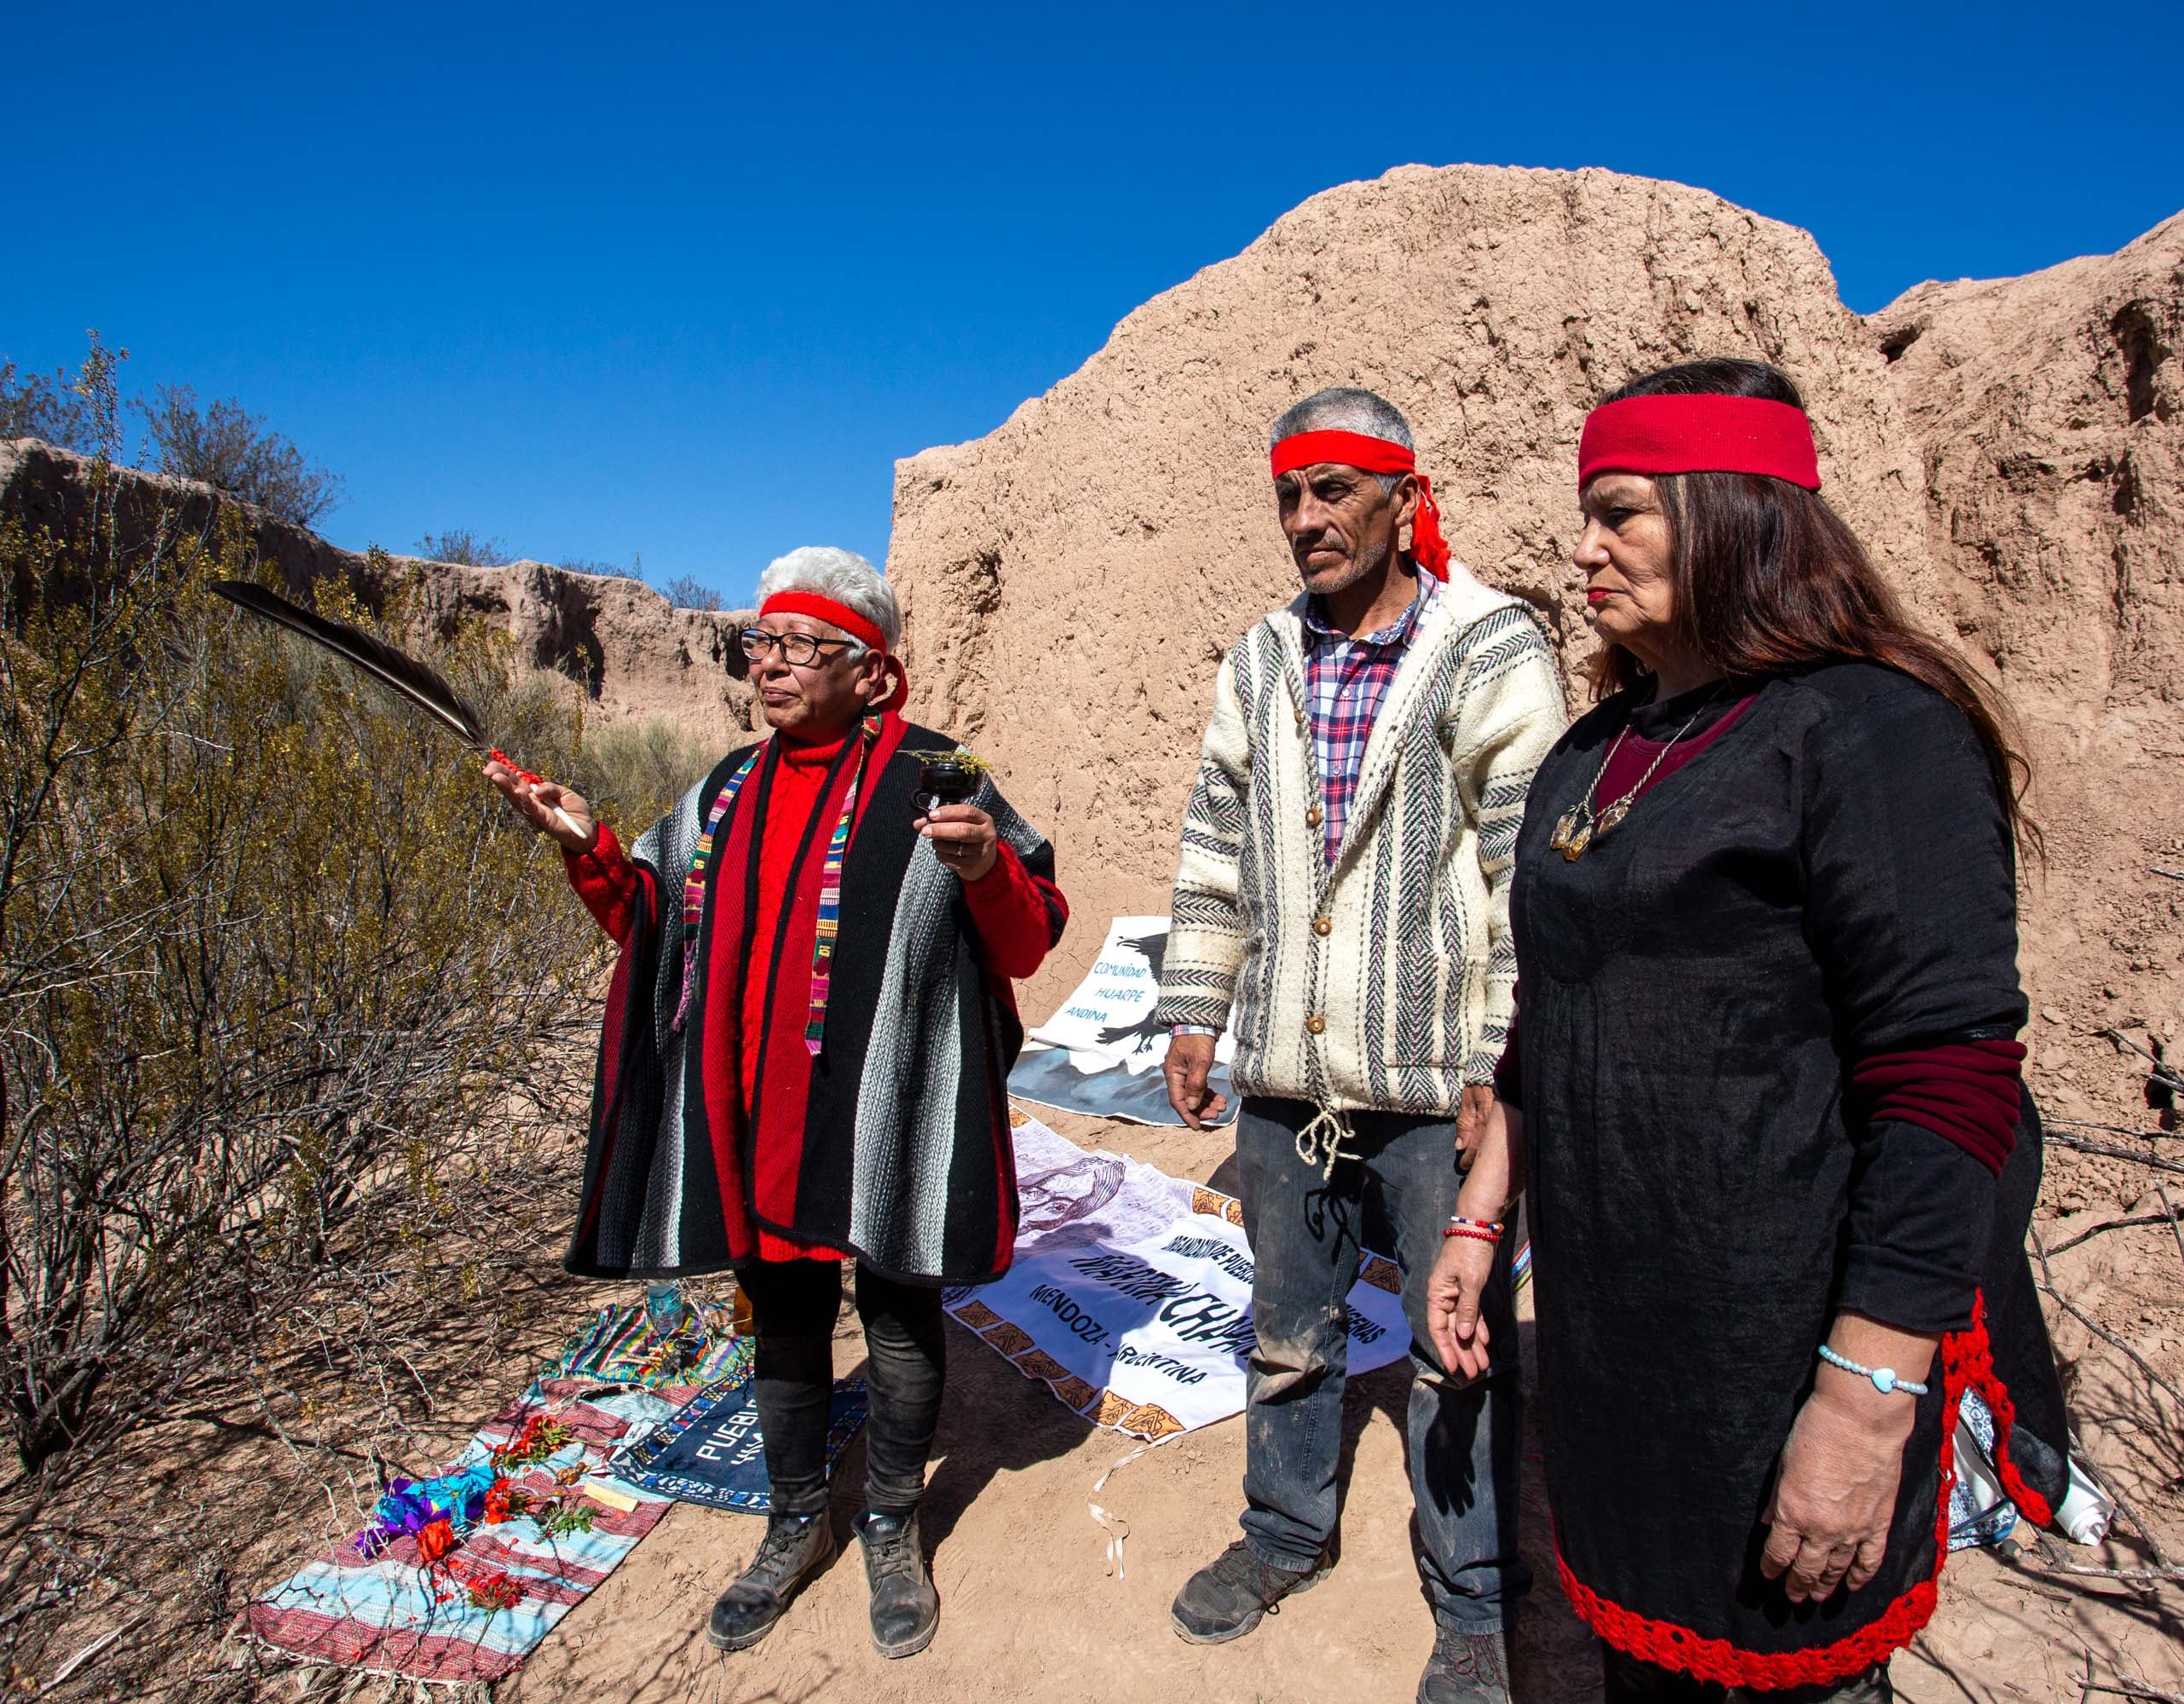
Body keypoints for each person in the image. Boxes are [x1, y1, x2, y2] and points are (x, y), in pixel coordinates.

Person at [1432, 360, 2080, 1704]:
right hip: (1625, 1336)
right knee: (1644, 1659)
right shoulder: (1594, 753)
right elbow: (1550, 1015)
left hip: (1792, 1345)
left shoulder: (1870, 729)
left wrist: (1862, 1403)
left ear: (1733, 509)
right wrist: (1481, 1217)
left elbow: (1948, 1080)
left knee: (1800, 1668)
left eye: (1622, 511)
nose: (1583, 547)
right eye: (1585, 513)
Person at [487, 545, 1067, 1661]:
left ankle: (893, 1527)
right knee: (787, 1320)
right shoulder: (726, 788)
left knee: (899, 1318)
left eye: (801, 647)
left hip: (895, 1109)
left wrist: (988, 865)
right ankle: (800, 1520)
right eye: (764, 643)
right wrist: (590, 847)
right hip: (763, 1117)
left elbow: (1028, 940)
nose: (772, 666)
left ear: (871, 670)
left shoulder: (946, 773)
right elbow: (656, 925)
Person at [1156, 388, 1566, 1704]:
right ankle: (1285, 1531)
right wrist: (1196, 1007)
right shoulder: (1264, 657)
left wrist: (1497, 1066)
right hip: (1287, 1073)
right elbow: (1215, 846)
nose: (1308, 519)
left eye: (1336, 490)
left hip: (1434, 1077)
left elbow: (1526, 872)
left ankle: (1475, 1602)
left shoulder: (1488, 644)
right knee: (1287, 1328)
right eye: (1290, 494)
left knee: (1456, 1349)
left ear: (1405, 497)